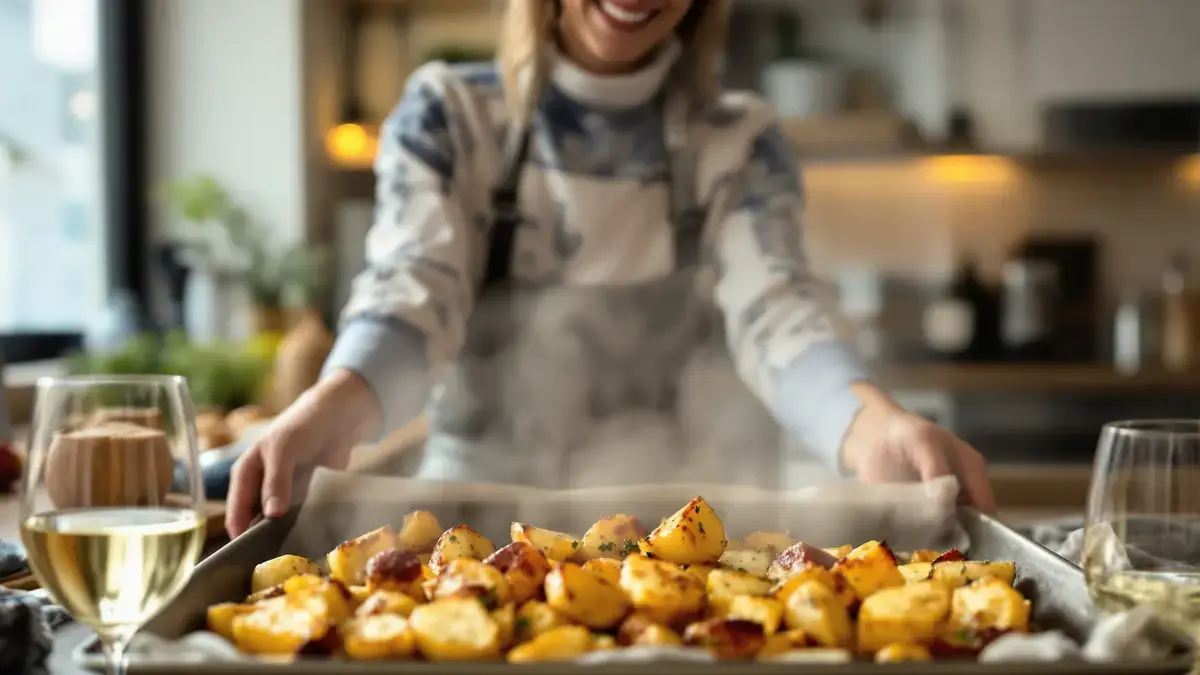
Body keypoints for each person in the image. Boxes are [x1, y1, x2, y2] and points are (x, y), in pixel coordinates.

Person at [226, 0, 995, 537]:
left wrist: (871, 425)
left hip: (701, 532)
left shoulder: (737, 137)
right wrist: (329, 407)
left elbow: (779, 314)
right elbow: (412, 296)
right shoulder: (451, 115)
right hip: (474, 527)